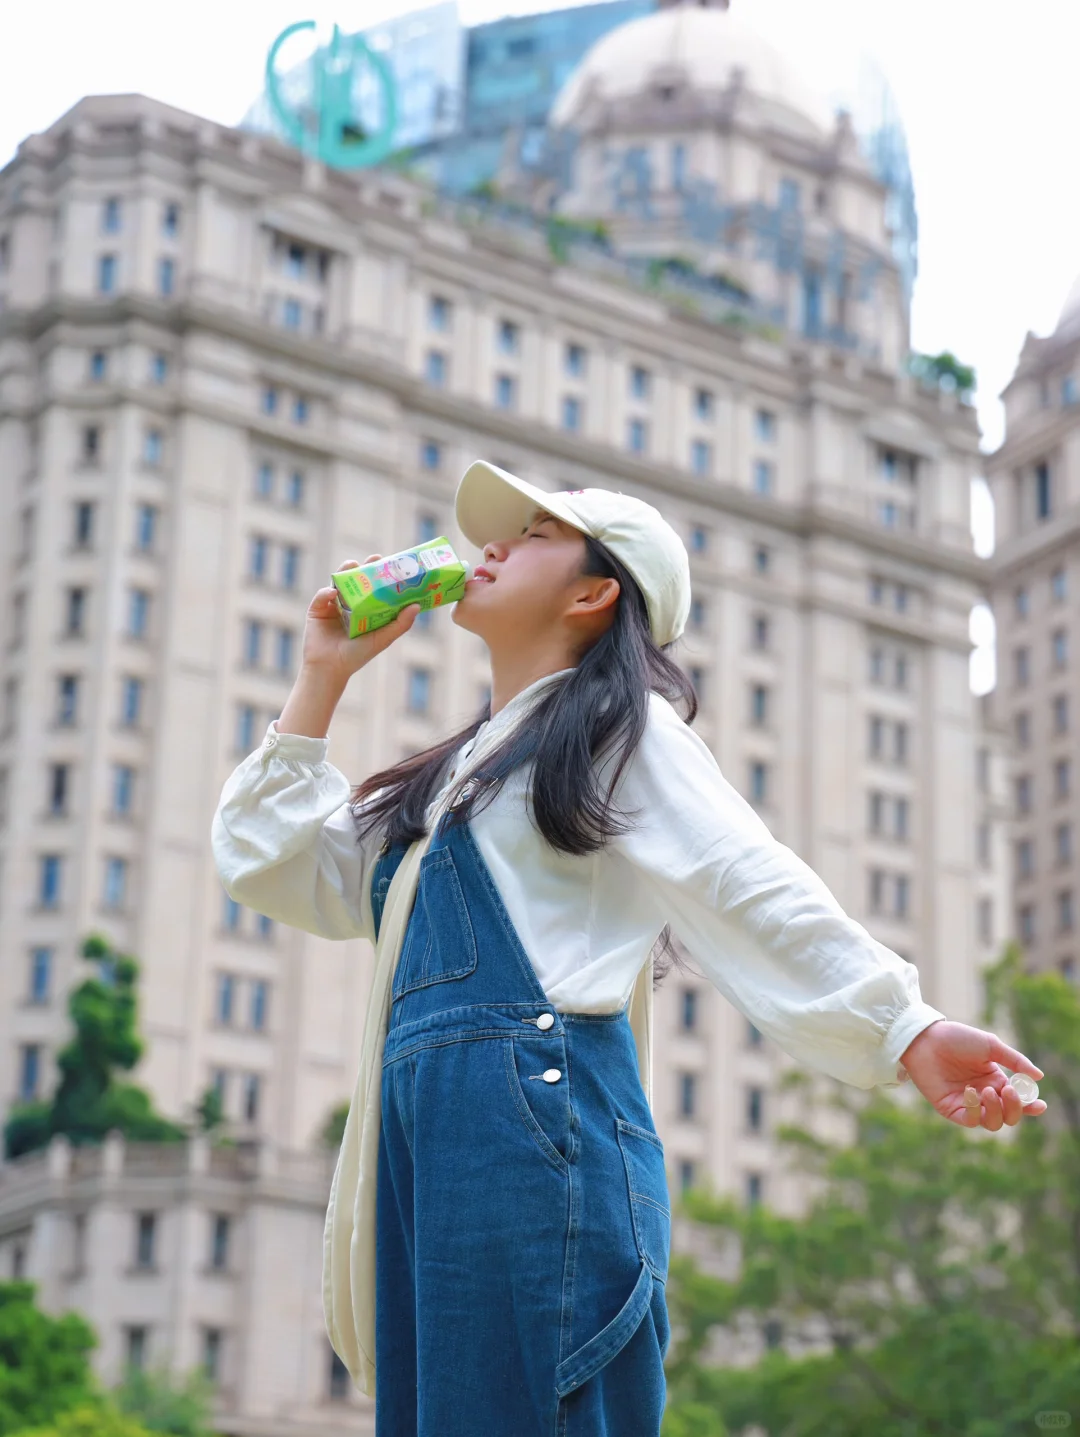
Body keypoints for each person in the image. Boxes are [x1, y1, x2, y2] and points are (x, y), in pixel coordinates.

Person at [212, 461, 1046, 1437]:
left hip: (535, 1133)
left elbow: (743, 879)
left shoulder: (619, 730)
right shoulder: (450, 782)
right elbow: (275, 863)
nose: (491, 548)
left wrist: (905, 1026)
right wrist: (322, 676)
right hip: (436, 1148)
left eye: (532, 537)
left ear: (594, 594)